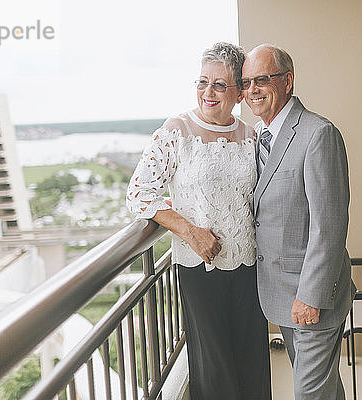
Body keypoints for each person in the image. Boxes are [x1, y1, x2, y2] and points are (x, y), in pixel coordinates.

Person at [126, 42, 271, 400]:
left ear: (239, 92)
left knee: (252, 364)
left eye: (220, 84)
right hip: (199, 269)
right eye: (202, 82)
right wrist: (189, 231)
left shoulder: (249, 135)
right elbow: (139, 193)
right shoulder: (177, 130)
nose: (208, 92)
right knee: (215, 370)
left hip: (250, 268)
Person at [242, 44, 355, 399]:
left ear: (287, 81)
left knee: (310, 394)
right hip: (280, 294)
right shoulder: (260, 137)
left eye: (263, 79)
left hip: (312, 297)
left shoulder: (318, 134)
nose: (252, 90)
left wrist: (311, 296)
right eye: (246, 83)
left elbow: (330, 226)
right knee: (322, 390)